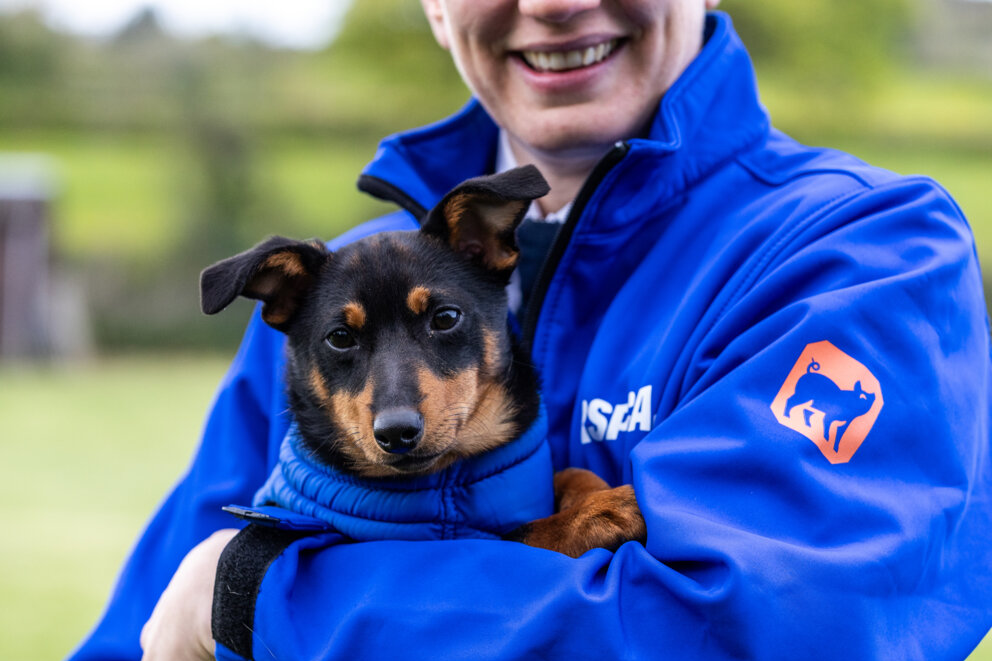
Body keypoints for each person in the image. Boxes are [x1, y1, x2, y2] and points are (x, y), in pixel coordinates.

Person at [70, 1, 992, 660]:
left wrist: (260, 604)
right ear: (434, 9)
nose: (554, 4)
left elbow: (759, 633)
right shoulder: (331, 299)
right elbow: (140, 634)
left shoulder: (860, 257)